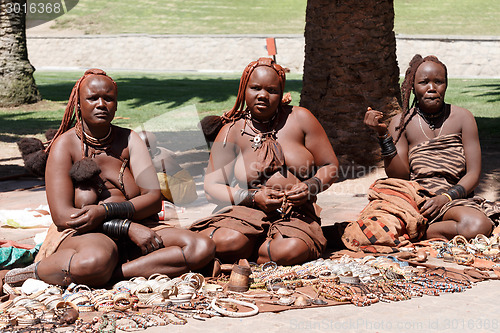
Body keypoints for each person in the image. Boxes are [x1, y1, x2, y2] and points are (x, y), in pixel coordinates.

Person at [4, 69, 215, 287]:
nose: (101, 104)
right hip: (85, 233)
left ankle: (113, 274)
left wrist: (107, 212)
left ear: (116, 104)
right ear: (78, 104)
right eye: (92, 98)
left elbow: (152, 198)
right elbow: (62, 216)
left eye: (109, 98)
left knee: (201, 247)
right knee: (96, 260)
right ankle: (28, 273)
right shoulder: (64, 146)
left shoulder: (130, 139)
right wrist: (124, 227)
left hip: (141, 226)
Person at [190, 58, 339, 265]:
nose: (263, 95)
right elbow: (211, 187)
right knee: (227, 242)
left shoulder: (300, 119)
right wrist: (252, 197)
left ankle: (256, 247)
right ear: (244, 90)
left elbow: (330, 166)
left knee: (287, 250)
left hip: (295, 213)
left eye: (271, 90)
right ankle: (250, 244)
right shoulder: (232, 131)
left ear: (281, 93)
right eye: (255, 88)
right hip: (244, 211)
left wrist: (310, 186)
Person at [363, 54, 493, 241]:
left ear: (446, 85)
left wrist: (445, 198)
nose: (432, 88)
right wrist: (383, 135)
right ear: (412, 88)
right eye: (424, 82)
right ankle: (416, 227)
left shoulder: (463, 118)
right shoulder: (401, 123)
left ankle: (413, 233)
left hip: (453, 201)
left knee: (478, 225)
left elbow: (473, 174)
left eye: (438, 82)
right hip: (416, 200)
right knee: (372, 229)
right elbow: (399, 176)